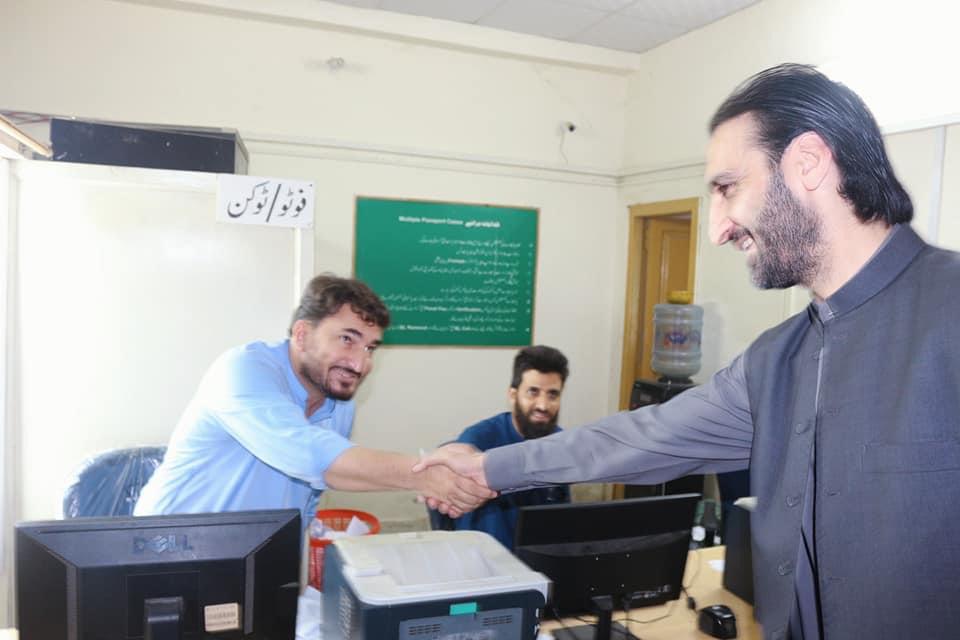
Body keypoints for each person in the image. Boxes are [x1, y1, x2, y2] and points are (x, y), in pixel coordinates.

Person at [416, 63, 960, 640]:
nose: (717, 229)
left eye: (728, 188)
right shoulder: (776, 359)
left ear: (808, 162)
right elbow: (642, 438)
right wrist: (487, 467)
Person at [135, 274, 493, 526]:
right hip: (168, 553)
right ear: (302, 334)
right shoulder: (243, 369)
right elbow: (309, 455)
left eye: (370, 348)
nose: (360, 364)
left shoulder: (339, 402)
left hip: (253, 560)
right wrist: (427, 475)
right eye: (347, 340)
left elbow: (311, 494)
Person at [438, 345, 571, 550]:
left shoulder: (561, 444)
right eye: (533, 392)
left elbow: (562, 518)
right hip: (487, 558)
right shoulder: (476, 441)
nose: (543, 405)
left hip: (541, 557)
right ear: (512, 395)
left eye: (552, 395)